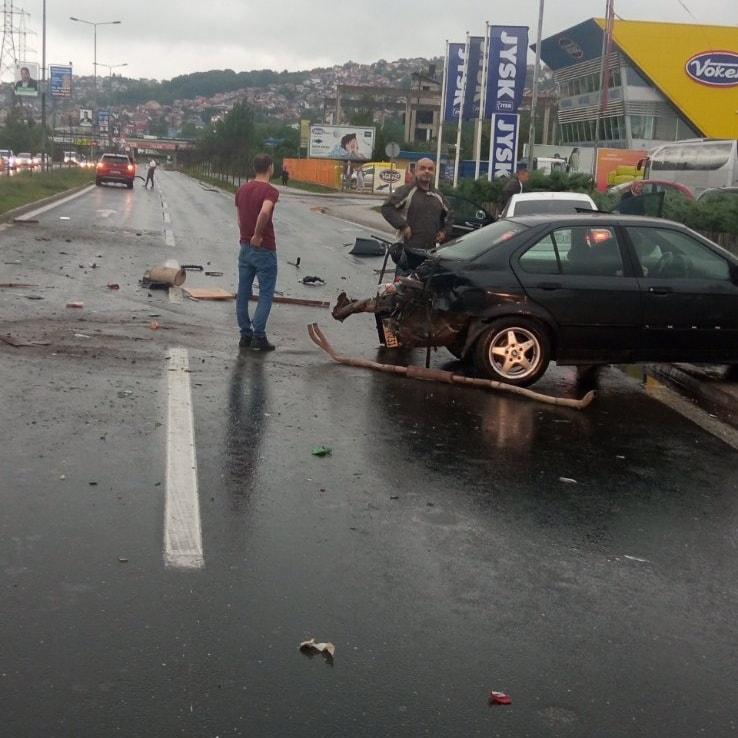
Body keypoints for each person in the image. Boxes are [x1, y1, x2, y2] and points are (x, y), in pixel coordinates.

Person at [234, 153, 279, 351]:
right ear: (270, 167)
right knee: (266, 292)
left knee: (243, 291)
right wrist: (258, 235)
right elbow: (264, 212)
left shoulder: (242, 190)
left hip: (245, 248)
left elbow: (239, 218)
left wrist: (247, 236)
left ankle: (245, 334)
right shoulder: (270, 191)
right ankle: (259, 335)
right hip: (264, 248)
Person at [380, 157, 453, 276]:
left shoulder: (438, 195)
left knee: (424, 289)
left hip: (429, 252)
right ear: (416, 171)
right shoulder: (406, 191)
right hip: (407, 251)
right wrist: (403, 226)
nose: (427, 171)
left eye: (430, 169)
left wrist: (444, 232)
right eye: (423, 168)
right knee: (402, 289)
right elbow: (387, 208)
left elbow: (450, 215)